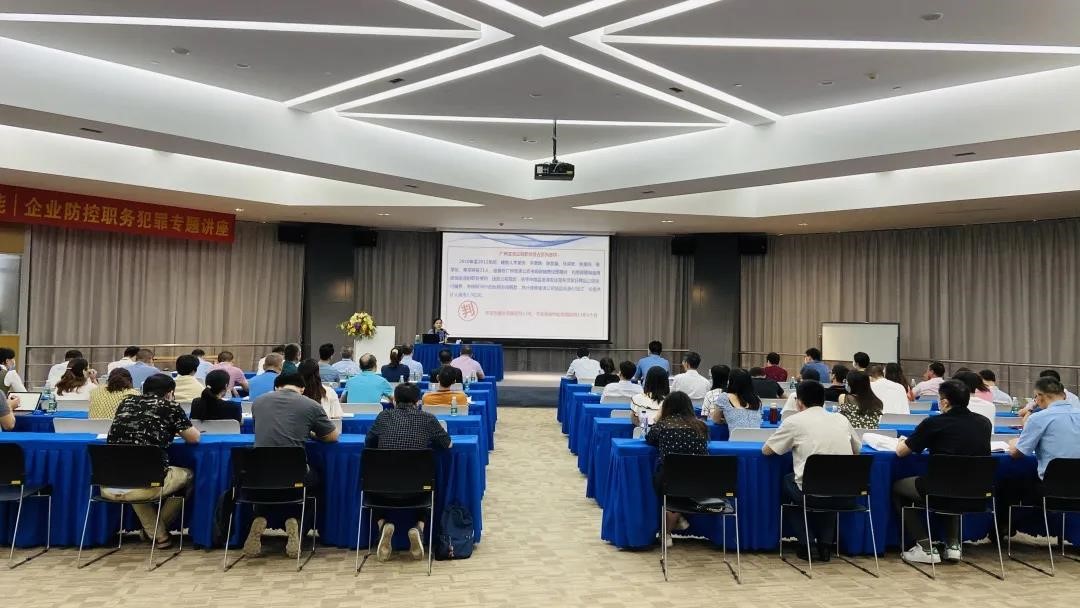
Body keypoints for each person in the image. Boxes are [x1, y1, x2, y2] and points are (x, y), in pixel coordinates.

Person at [893, 379, 991, 564]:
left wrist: (901, 442)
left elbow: (901, 452)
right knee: (953, 486)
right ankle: (953, 545)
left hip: (940, 488)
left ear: (945, 402)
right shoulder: (984, 423)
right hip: (976, 491)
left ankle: (924, 545)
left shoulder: (934, 423)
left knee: (898, 488)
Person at [764, 381, 861, 561]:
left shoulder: (794, 421)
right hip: (847, 494)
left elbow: (767, 450)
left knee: (788, 484)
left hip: (813, 494)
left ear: (799, 402)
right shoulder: (841, 419)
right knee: (831, 483)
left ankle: (806, 543)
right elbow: (857, 450)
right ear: (823, 400)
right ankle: (825, 545)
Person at [247, 372, 339, 558]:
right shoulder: (311, 405)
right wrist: (311, 434)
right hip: (295, 470)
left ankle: (261, 517)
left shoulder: (258, 402)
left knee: (271, 487)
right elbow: (332, 436)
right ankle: (298, 524)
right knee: (314, 483)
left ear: (276, 387)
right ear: (302, 389)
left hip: (259, 472)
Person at [104, 374, 200, 549]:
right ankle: (158, 532)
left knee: (132, 476)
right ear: (170, 393)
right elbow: (193, 438)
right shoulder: (170, 406)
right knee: (189, 475)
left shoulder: (126, 402)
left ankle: (155, 533)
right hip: (148, 480)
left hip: (111, 481)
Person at [366, 382, 452, 561]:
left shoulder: (383, 416)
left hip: (383, 488)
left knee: (371, 482)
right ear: (418, 401)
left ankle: (383, 525)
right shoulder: (428, 418)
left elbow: (369, 442)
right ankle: (418, 528)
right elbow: (448, 444)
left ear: (394, 400)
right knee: (429, 483)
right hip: (418, 489)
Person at [999, 376, 1080, 536]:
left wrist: (1014, 443)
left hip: (1051, 489)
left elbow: (1018, 453)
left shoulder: (1039, 418)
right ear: (1064, 395)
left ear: (1040, 397)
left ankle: (1004, 527)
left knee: (1008, 480)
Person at [645, 391, 709, 548]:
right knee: (679, 483)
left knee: (665, 481)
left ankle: (667, 532)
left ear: (666, 407)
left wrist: (658, 418)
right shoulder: (701, 426)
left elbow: (649, 438)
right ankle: (677, 517)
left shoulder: (663, 425)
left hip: (670, 479)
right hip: (700, 480)